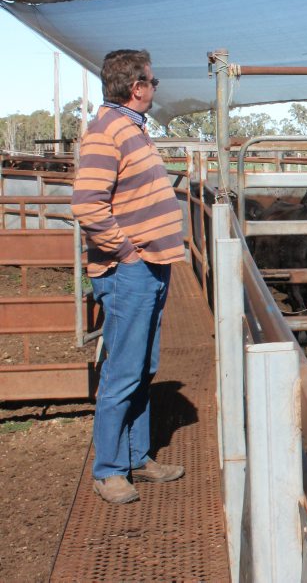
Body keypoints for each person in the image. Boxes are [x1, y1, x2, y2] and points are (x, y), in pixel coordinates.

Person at [72, 49, 187, 504]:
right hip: (130, 270)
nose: (156, 88)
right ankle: (109, 470)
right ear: (136, 87)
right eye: (153, 82)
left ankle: (138, 455)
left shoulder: (132, 129)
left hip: (152, 264)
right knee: (122, 369)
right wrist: (127, 252)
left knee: (144, 364)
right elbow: (86, 205)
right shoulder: (107, 132)